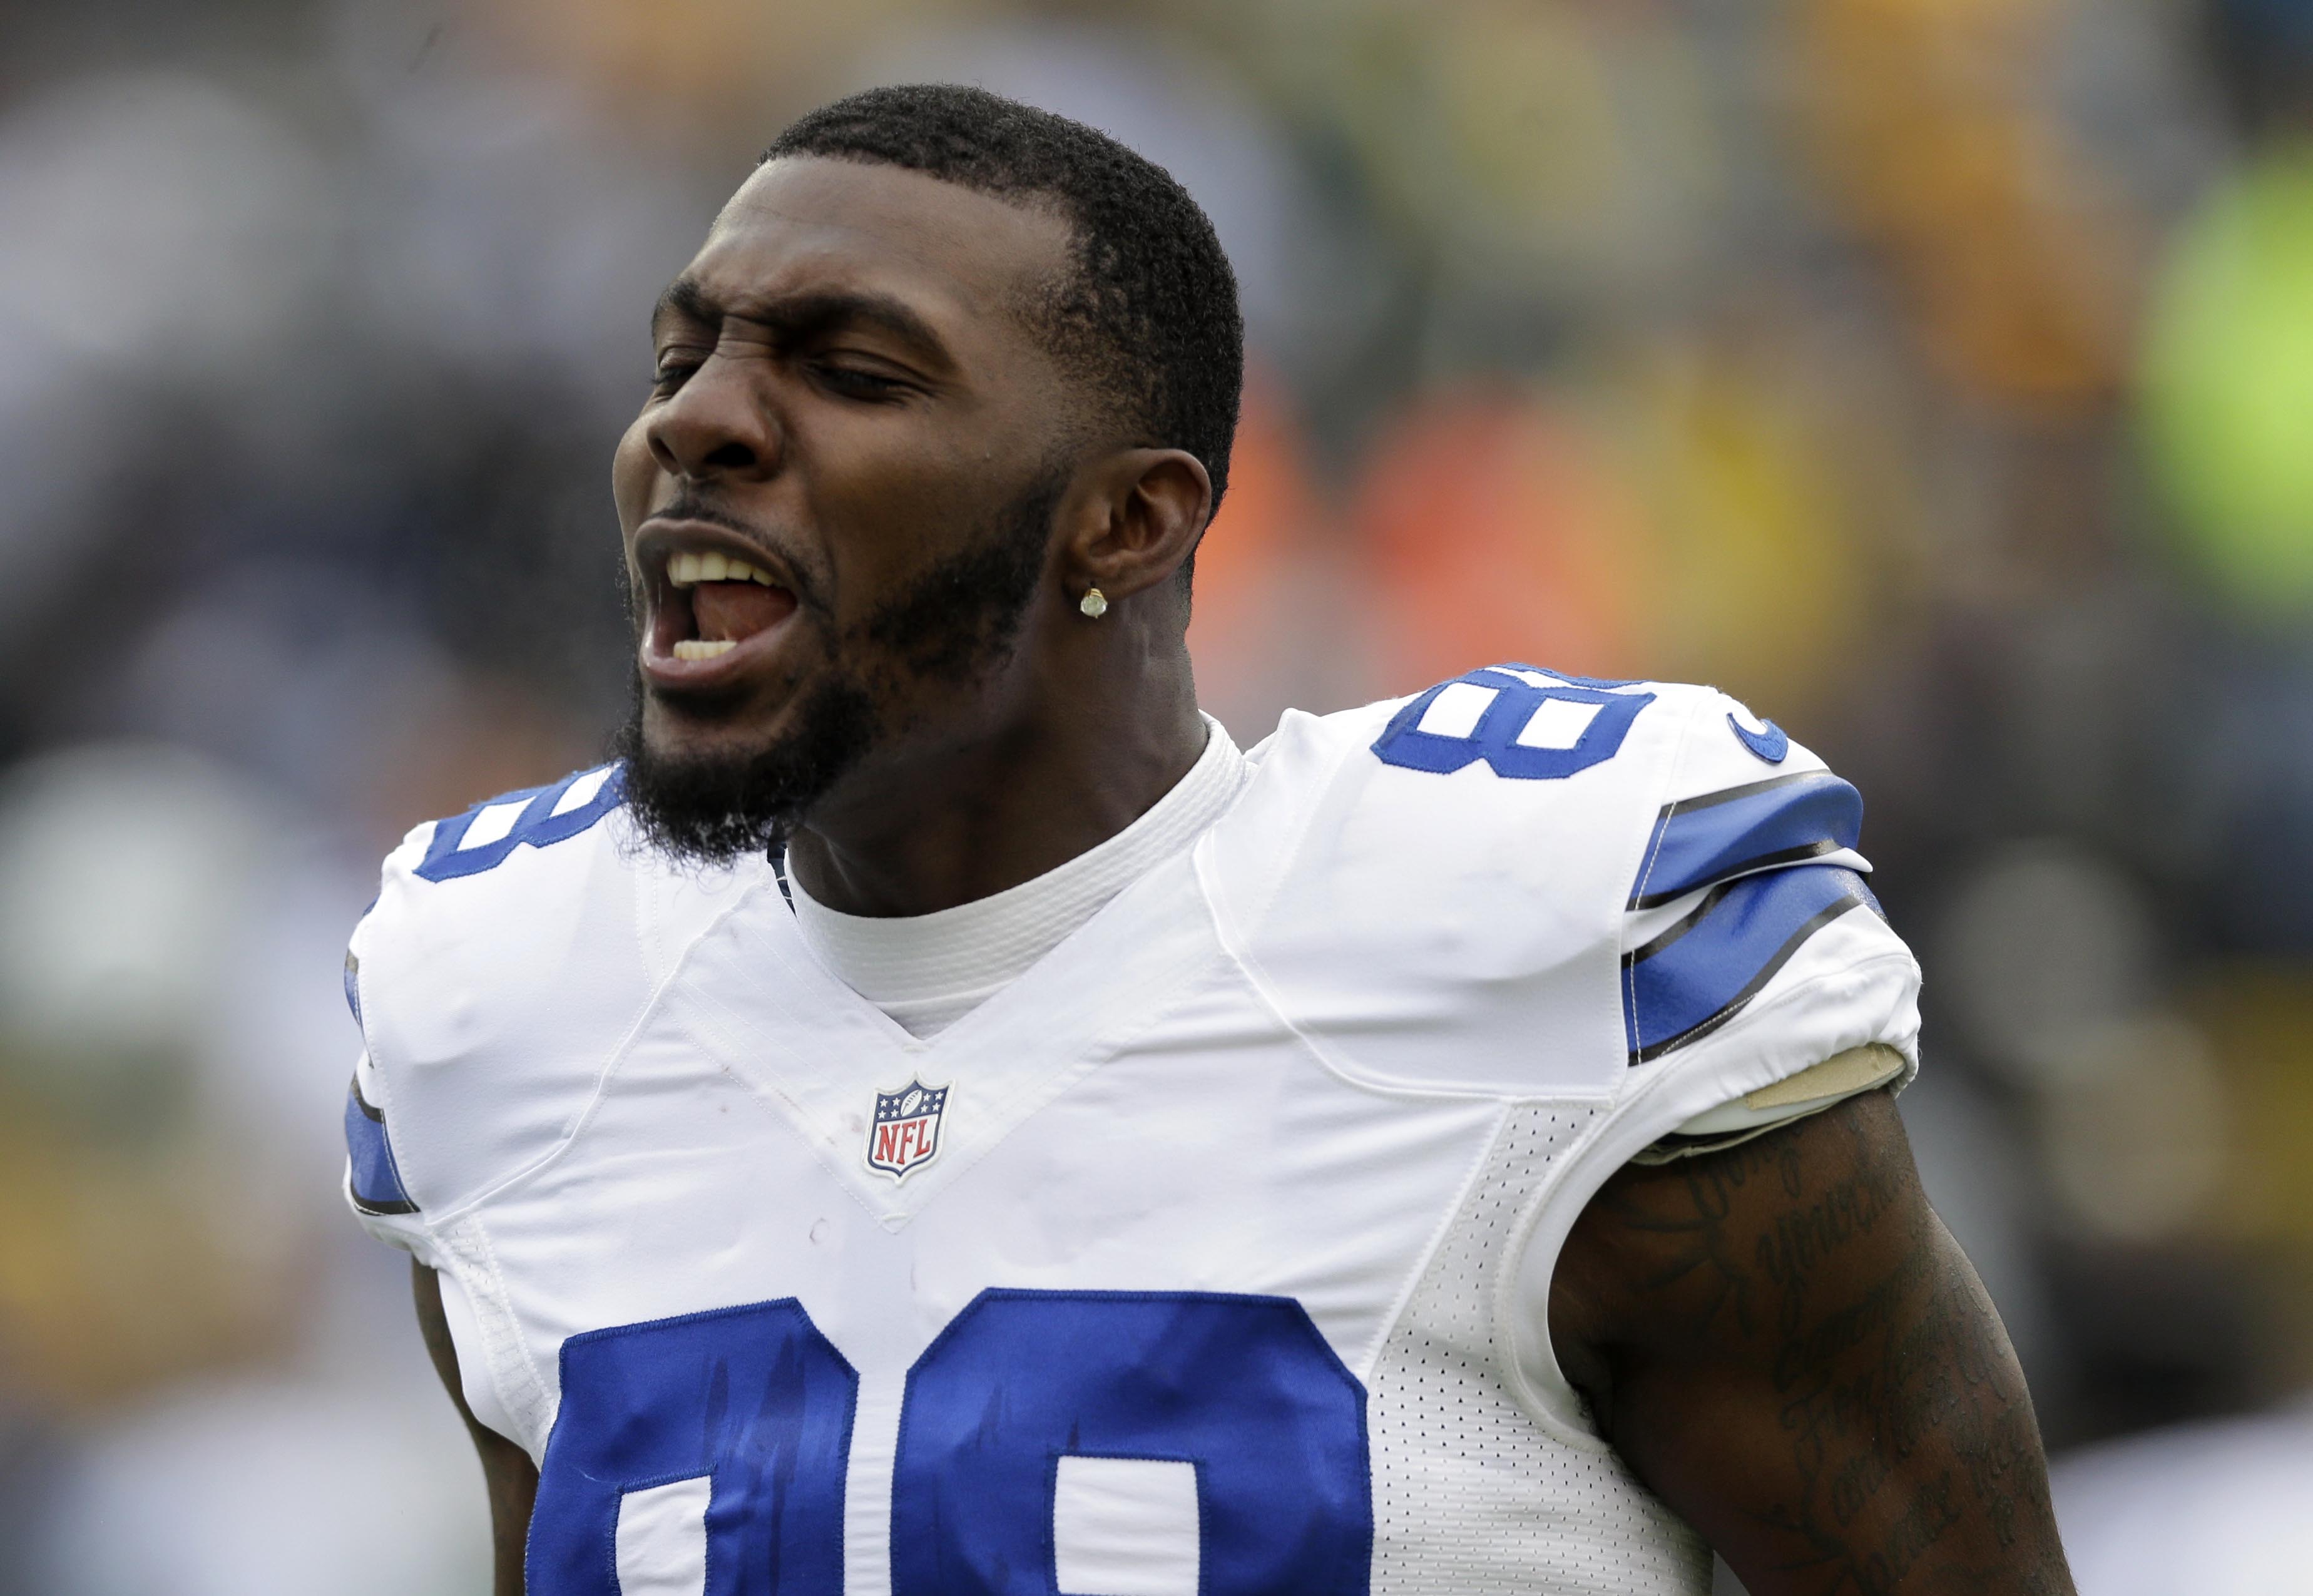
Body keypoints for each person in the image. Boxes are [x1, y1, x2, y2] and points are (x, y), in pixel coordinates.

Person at [340, 84, 2075, 1595]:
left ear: (1132, 517)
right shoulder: (505, 1003)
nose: (691, 424)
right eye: (679, 357)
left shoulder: (1548, 938)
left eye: (852, 371)